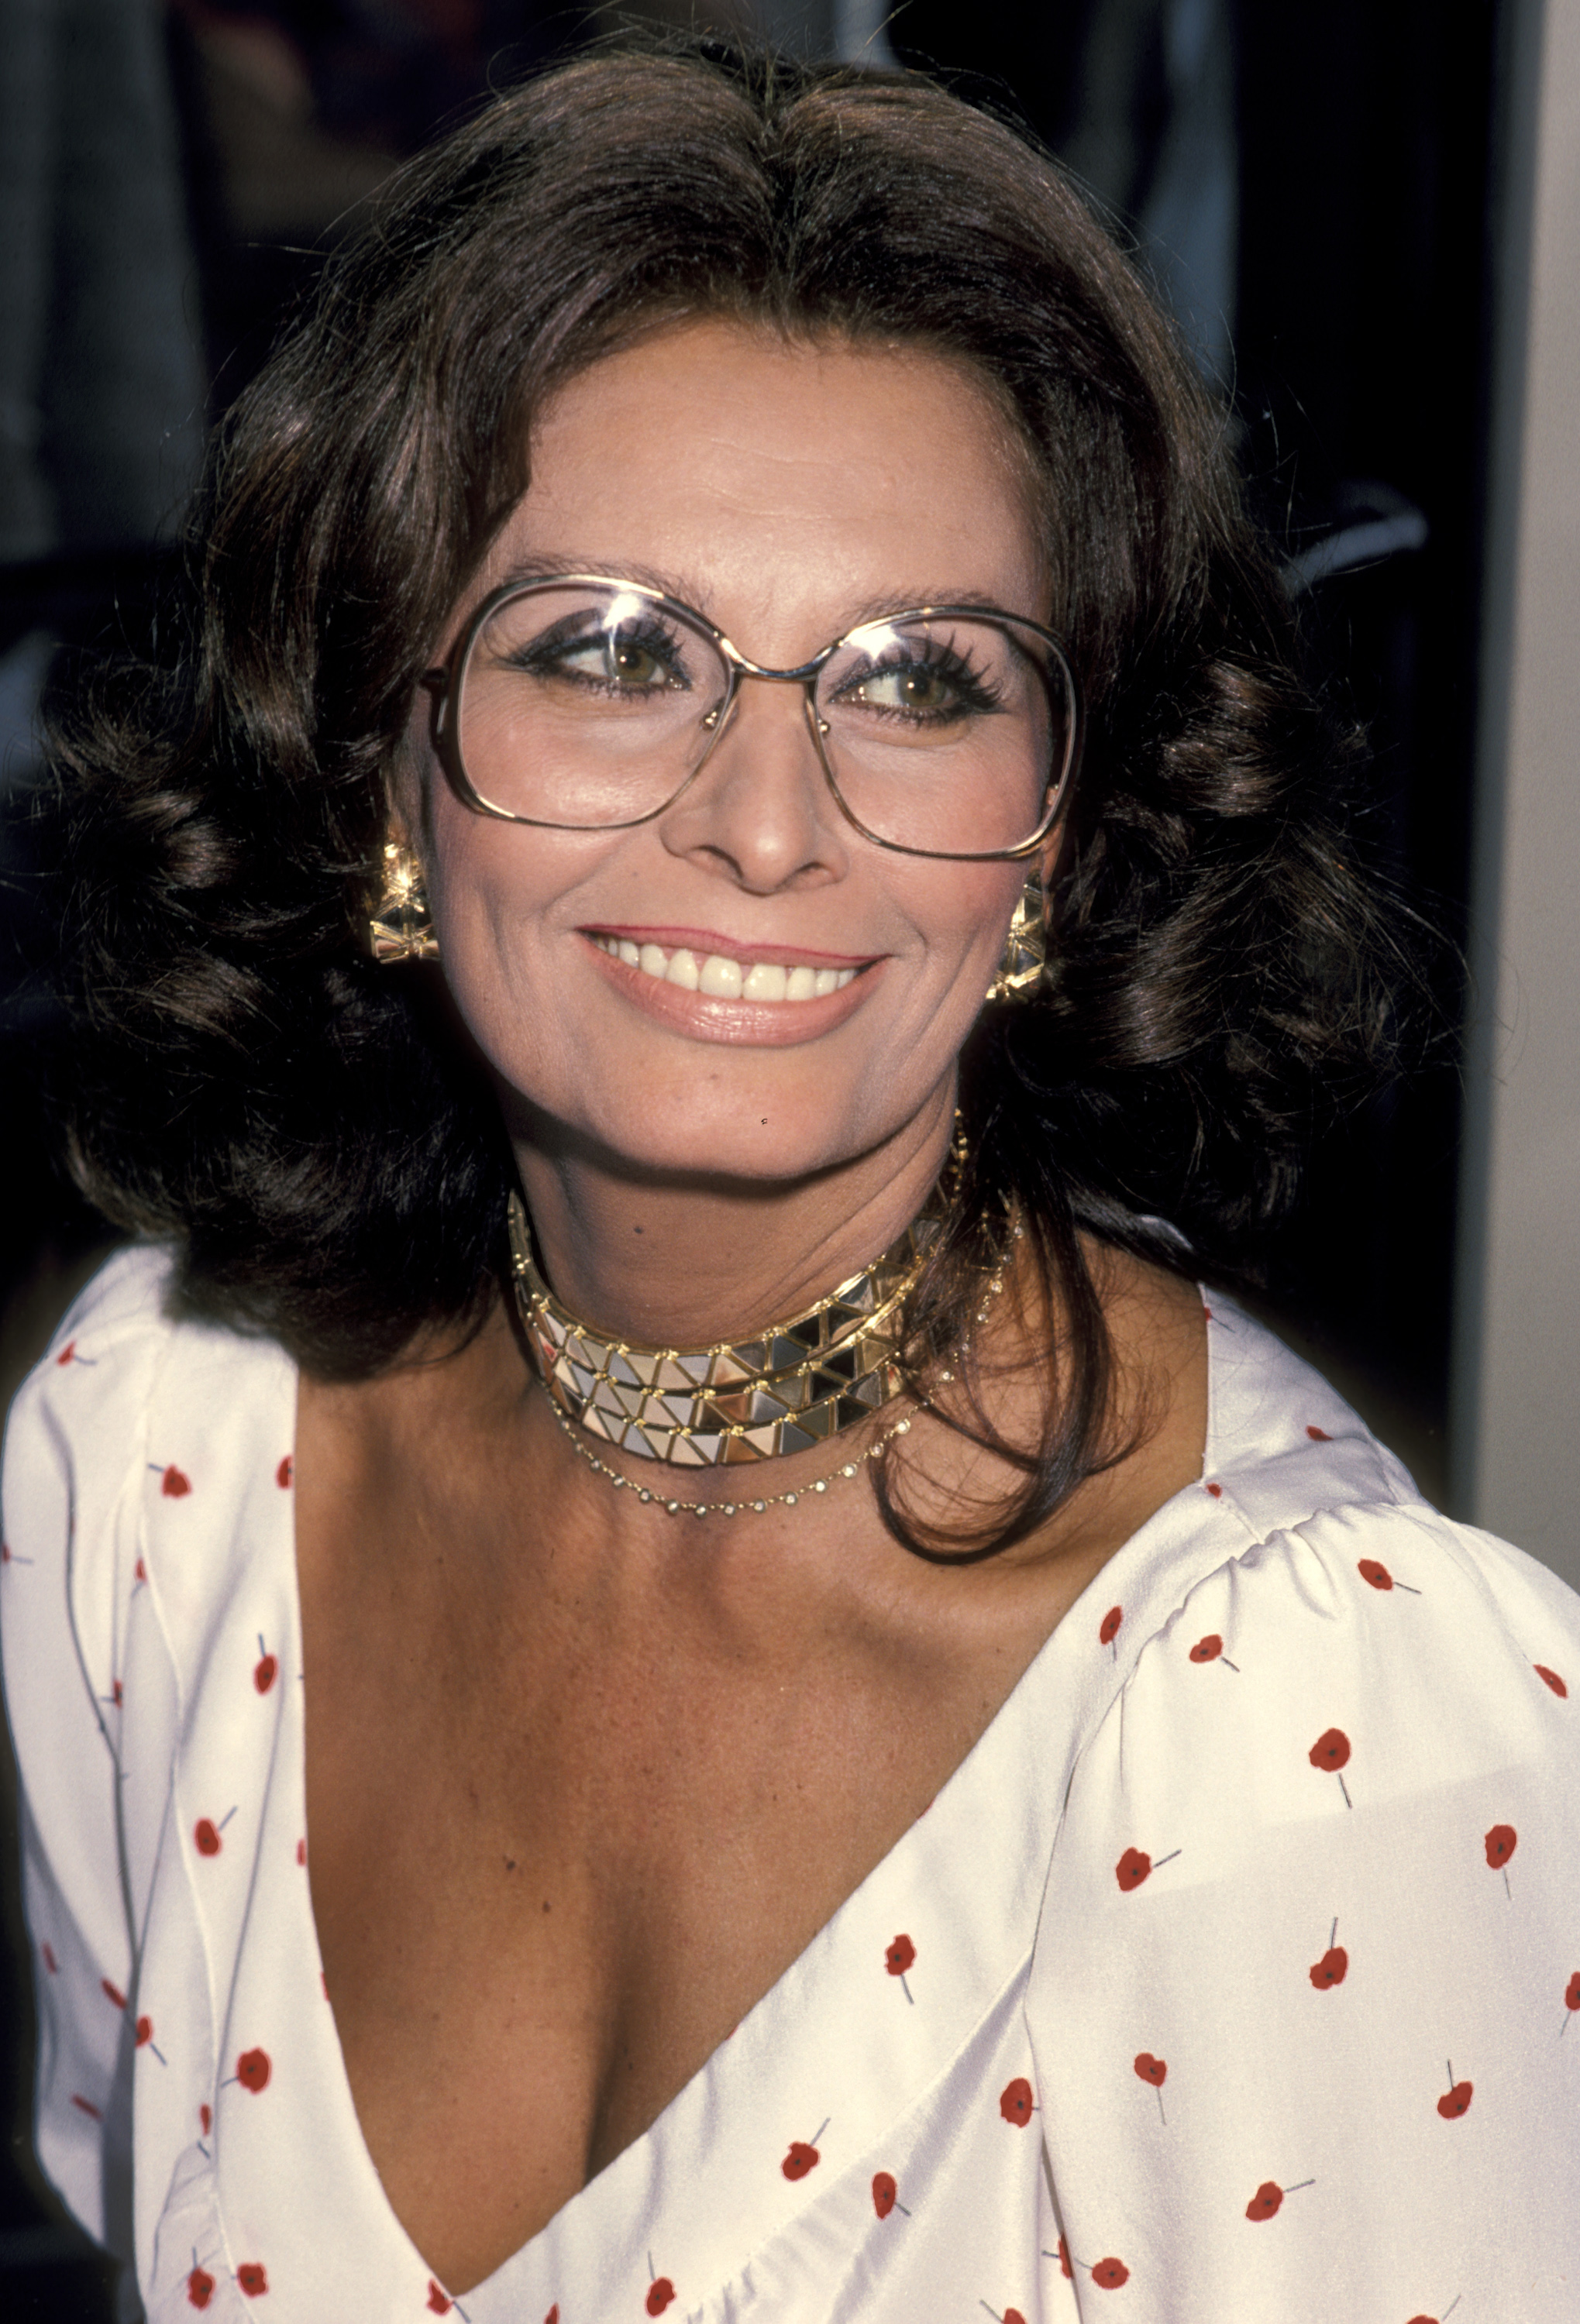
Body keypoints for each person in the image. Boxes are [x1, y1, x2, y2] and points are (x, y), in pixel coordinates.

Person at [4, 37, 1578, 2324]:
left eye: (920, 678)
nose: (767, 821)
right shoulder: (157, 1458)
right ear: (380, 771)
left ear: (1057, 831)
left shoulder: (1312, 1739)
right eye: (612, 652)